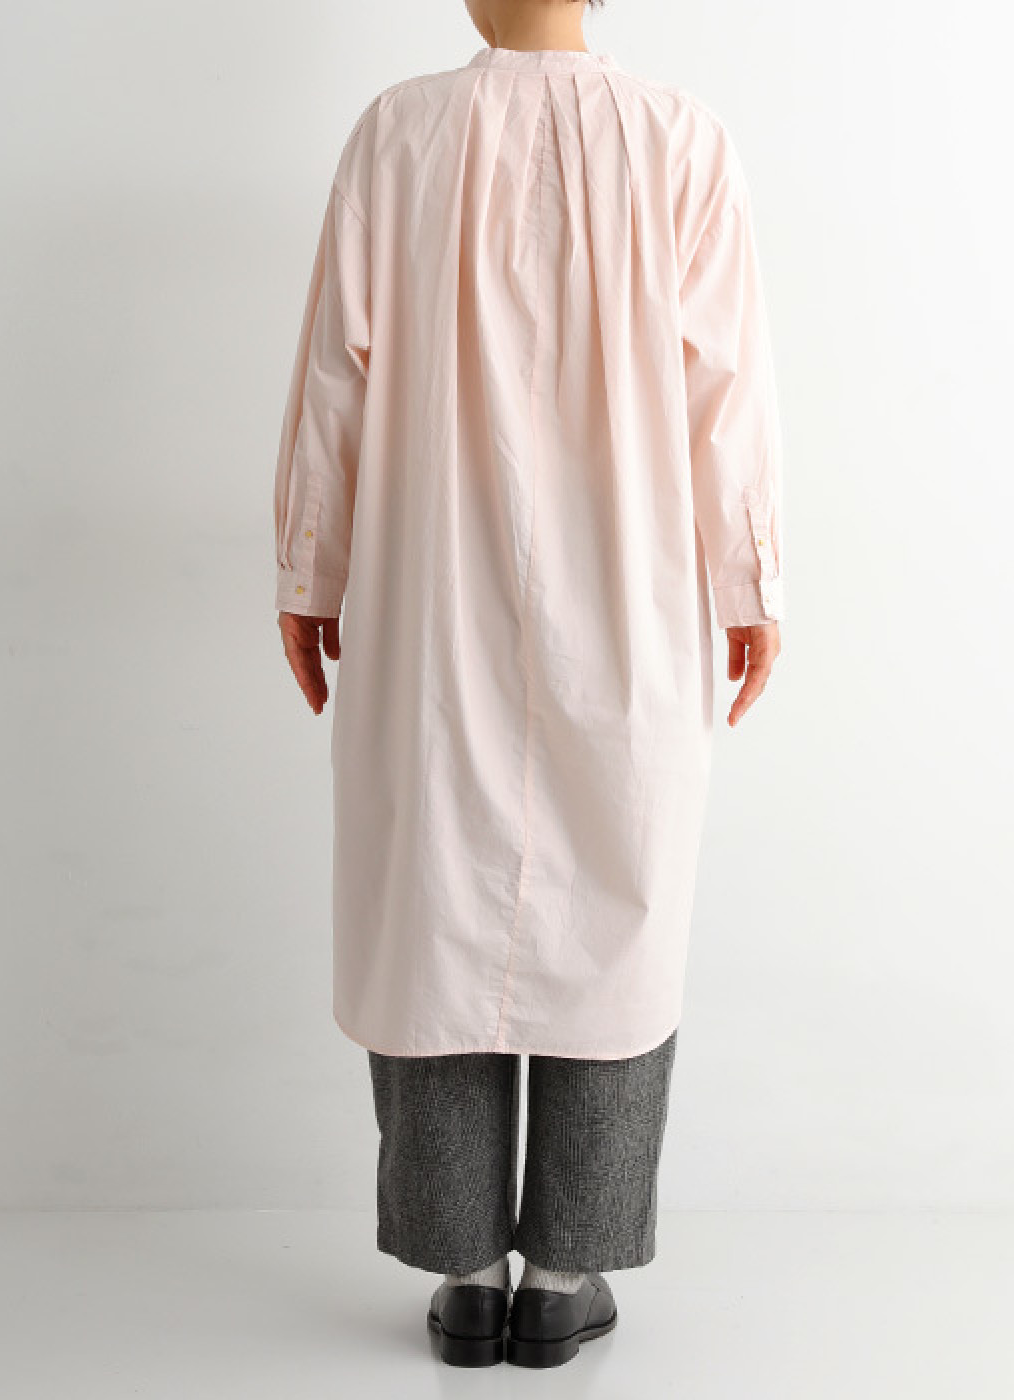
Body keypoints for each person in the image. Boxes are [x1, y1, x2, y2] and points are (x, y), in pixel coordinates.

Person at [272, 0, 785, 1370]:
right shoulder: (681, 139)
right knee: (616, 905)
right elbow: (727, 392)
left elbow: (334, 376)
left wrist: (310, 567)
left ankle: (462, 1275)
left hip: (429, 594)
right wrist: (752, 583)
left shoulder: (399, 133)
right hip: (630, 597)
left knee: (431, 903)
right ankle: (564, 1276)